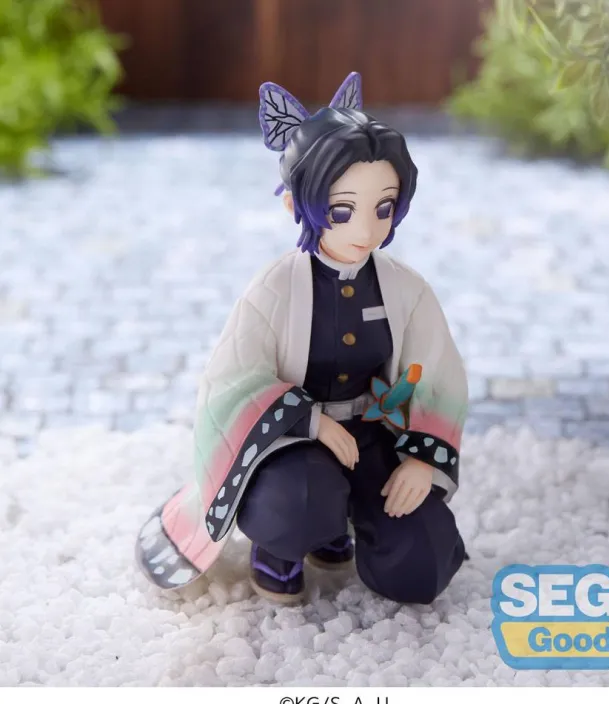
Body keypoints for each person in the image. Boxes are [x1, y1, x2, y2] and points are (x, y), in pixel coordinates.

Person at [135, 73, 468, 606]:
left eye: (383, 207)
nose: (366, 229)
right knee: (301, 499)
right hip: (290, 443)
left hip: (374, 432)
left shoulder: (406, 290)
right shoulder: (274, 289)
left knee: (422, 558)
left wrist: (422, 458)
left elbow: (438, 374)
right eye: (342, 211)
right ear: (296, 206)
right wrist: (311, 421)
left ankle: (345, 528)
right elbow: (233, 380)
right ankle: (282, 548)